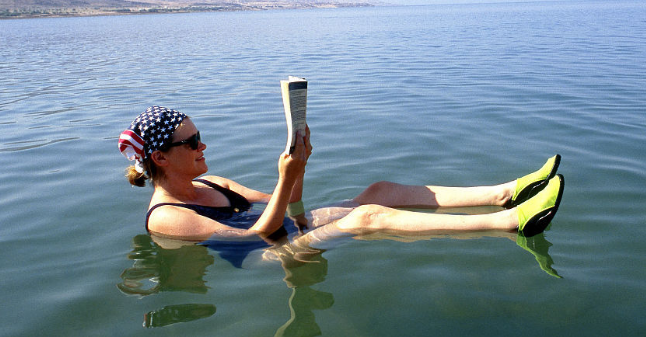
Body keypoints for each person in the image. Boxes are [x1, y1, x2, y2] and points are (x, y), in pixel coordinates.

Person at [119, 106, 564, 244]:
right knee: (367, 216)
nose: (203, 147)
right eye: (192, 143)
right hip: (267, 255)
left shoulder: (215, 183)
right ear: (160, 157)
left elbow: (289, 208)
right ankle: (514, 222)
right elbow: (256, 237)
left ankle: (507, 191)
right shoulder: (165, 216)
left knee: (379, 190)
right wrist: (287, 175)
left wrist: (298, 167)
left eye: (201, 137)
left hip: (285, 230)